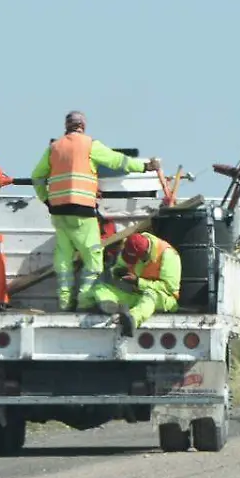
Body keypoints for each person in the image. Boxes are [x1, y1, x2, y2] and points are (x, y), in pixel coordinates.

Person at [30, 111, 160, 311]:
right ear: (83, 126)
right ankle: (84, 300)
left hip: (59, 212)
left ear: (66, 126)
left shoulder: (54, 148)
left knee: (63, 257)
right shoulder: (90, 145)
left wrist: (46, 199)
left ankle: (64, 303)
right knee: (92, 257)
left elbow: (37, 176)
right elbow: (118, 161)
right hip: (82, 210)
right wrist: (145, 166)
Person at [93, 232, 181, 332]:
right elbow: (119, 265)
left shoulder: (168, 255)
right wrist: (116, 272)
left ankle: (132, 320)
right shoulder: (130, 246)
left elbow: (169, 288)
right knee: (101, 288)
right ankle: (114, 308)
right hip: (137, 295)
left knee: (150, 295)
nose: (131, 262)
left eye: (134, 259)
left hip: (163, 298)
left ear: (144, 255)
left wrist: (138, 282)